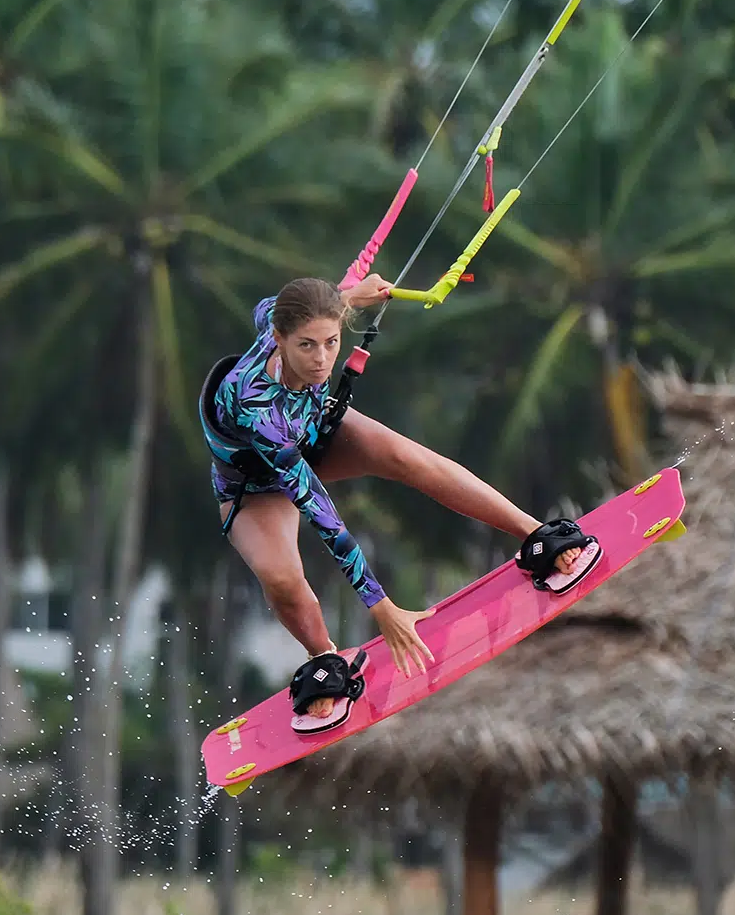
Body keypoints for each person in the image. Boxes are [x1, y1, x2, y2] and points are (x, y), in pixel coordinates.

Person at [197, 274, 602, 733]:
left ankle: (537, 534)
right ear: (279, 338)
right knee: (284, 578)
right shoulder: (257, 407)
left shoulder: (279, 314)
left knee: (407, 456)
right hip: (254, 486)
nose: (322, 359)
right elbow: (319, 511)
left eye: (331, 342)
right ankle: (325, 661)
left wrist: (350, 297)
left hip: (311, 435)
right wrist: (381, 606)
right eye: (307, 346)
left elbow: (318, 309)